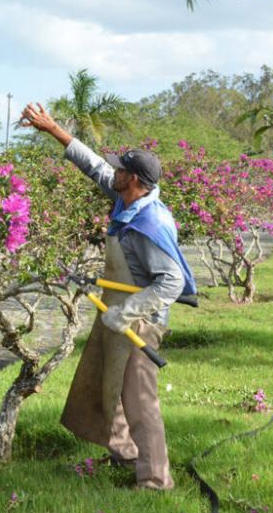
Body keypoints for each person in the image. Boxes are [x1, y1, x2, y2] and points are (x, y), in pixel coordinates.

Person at [19, 102, 196, 490]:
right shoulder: (126, 199)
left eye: (119, 168)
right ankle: (126, 455)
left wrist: (127, 312)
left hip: (141, 322)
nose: (111, 171)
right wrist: (53, 130)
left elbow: (172, 283)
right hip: (116, 312)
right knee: (107, 386)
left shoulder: (150, 222)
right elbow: (93, 166)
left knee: (138, 399)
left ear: (132, 179)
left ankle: (154, 479)